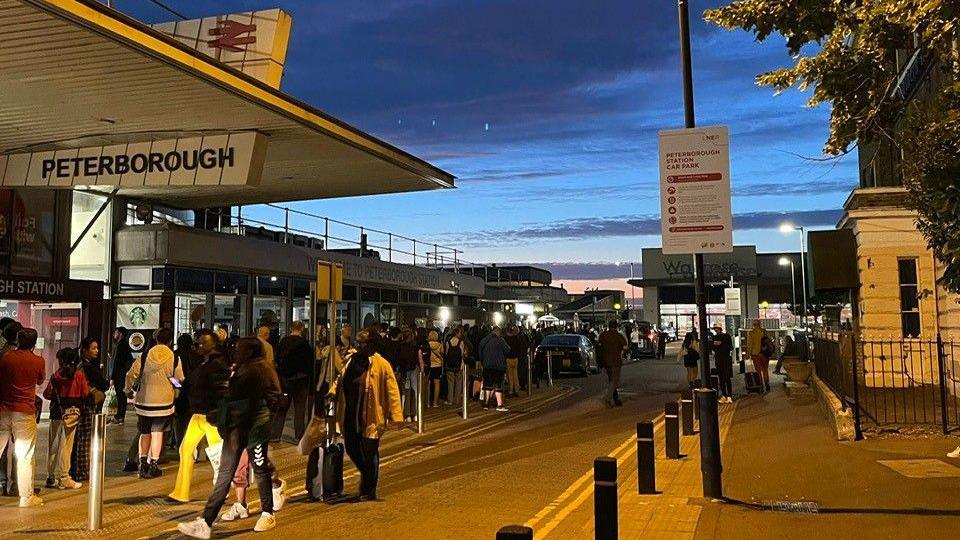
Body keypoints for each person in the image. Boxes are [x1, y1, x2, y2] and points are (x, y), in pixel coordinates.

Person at [177, 337, 282, 538]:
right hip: (238, 427)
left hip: (253, 428)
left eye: (240, 349)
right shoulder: (244, 368)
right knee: (226, 474)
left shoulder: (258, 369)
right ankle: (206, 522)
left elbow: (260, 397)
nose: (235, 351)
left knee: (257, 469)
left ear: (248, 351)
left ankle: (267, 512)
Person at [329, 328, 403, 501]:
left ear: (370, 345)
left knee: (370, 451)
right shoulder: (352, 360)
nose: (358, 345)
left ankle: (369, 489)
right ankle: (367, 475)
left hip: (371, 415)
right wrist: (332, 391)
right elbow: (340, 378)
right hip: (350, 414)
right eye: (358, 342)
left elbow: (392, 390)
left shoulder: (381, 364)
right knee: (352, 448)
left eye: (361, 343)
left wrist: (397, 416)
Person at [169, 331, 229, 502]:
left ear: (213, 344)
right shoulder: (207, 362)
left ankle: (220, 492)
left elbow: (222, 392)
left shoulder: (217, 365)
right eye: (197, 343)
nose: (198, 347)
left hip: (210, 416)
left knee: (217, 456)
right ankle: (181, 492)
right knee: (186, 450)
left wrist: (217, 413)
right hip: (199, 414)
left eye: (202, 343)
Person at [125, 327, 184, 479]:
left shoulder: (145, 355)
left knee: (145, 432)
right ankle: (153, 464)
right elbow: (178, 379)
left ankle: (142, 462)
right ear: (171, 341)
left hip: (144, 401)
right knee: (157, 433)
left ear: (156, 339)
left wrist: (128, 390)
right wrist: (175, 390)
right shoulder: (174, 357)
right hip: (164, 402)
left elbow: (131, 374)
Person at [0, 327, 45, 507]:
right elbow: (40, 380)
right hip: (25, 412)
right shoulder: (38, 361)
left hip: (3, 410)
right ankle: (26, 497)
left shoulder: (6, 358)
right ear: (34, 343)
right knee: (25, 455)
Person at [43, 347, 89, 490]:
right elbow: (85, 393)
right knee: (66, 446)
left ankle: (51, 478)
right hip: (72, 413)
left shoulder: (55, 376)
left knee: (54, 446)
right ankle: (64, 477)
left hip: (56, 412)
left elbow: (47, 394)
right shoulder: (78, 375)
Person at [272, 321, 314, 442]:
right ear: (301, 329)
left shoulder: (283, 342)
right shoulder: (305, 345)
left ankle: (275, 434)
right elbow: (309, 364)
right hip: (301, 380)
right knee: (299, 409)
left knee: (282, 408)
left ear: (291, 328)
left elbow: (277, 361)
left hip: (285, 381)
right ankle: (299, 435)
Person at [478, 326, 510, 412]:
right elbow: (507, 350)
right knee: (498, 386)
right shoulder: (500, 340)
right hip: (498, 366)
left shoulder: (484, 340)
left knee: (487, 385)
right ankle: (499, 404)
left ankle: (486, 403)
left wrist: (483, 362)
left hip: (487, 366)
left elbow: (480, 352)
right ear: (498, 332)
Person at [598, 321, 628, 407]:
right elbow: (625, 346)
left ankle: (616, 399)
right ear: (616, 327)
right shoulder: (618, 336)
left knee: (611, 380)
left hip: (605, 361)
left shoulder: (603, 335)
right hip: (615, 361)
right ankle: (607, 399)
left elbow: (599, 345)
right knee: (614, 381)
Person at [108, 327, 134, 425]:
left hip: (119, 375)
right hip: (122, 374)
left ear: (121, 334)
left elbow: (116, 363)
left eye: (116, 332)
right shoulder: (123, 345)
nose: (114, 334)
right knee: (121, 396)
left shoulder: (120, 346)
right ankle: (119, 416)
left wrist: (112, 377)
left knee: (120, 396)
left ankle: (119, 416)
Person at [711, 324, 734, 403]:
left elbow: (730, 347)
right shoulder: (715, 337)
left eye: (716, 328)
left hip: (725, 359)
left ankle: (729, 396)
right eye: (715, 329)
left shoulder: (726, 336)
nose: (716, 330)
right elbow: (712, 348)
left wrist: (720, 344)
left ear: (720, 328)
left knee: (726, 377)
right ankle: (725, 395)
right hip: (719, 360)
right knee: (721, 378)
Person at [443, 326, 467, 406]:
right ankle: (456, 400)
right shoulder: (461, 342)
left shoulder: (448, 342)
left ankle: (450, 400)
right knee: (459, 383)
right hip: (459, 365)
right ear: (457, 333)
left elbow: (446, 354)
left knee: (450, 383)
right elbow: (462, 354)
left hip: (449, 365)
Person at [747, 320, 771, 392]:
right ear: (760, 324)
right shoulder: (764, 331)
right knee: (765, 370)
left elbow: (750, 344)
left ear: (753, 325)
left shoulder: (751, 333)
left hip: (755, 354)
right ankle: (767, 385)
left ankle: (761, 386)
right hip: (764, 354)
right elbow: (769, 341)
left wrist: (748, 353)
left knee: (758, 371)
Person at [426, 330, 443, 408]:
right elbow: (443, 353)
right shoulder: (439, 345)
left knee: (428, 384)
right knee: (437, 384)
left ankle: (428, 402)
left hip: (429, 365)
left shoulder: (427, 344)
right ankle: (435, 402)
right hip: (437, 365)